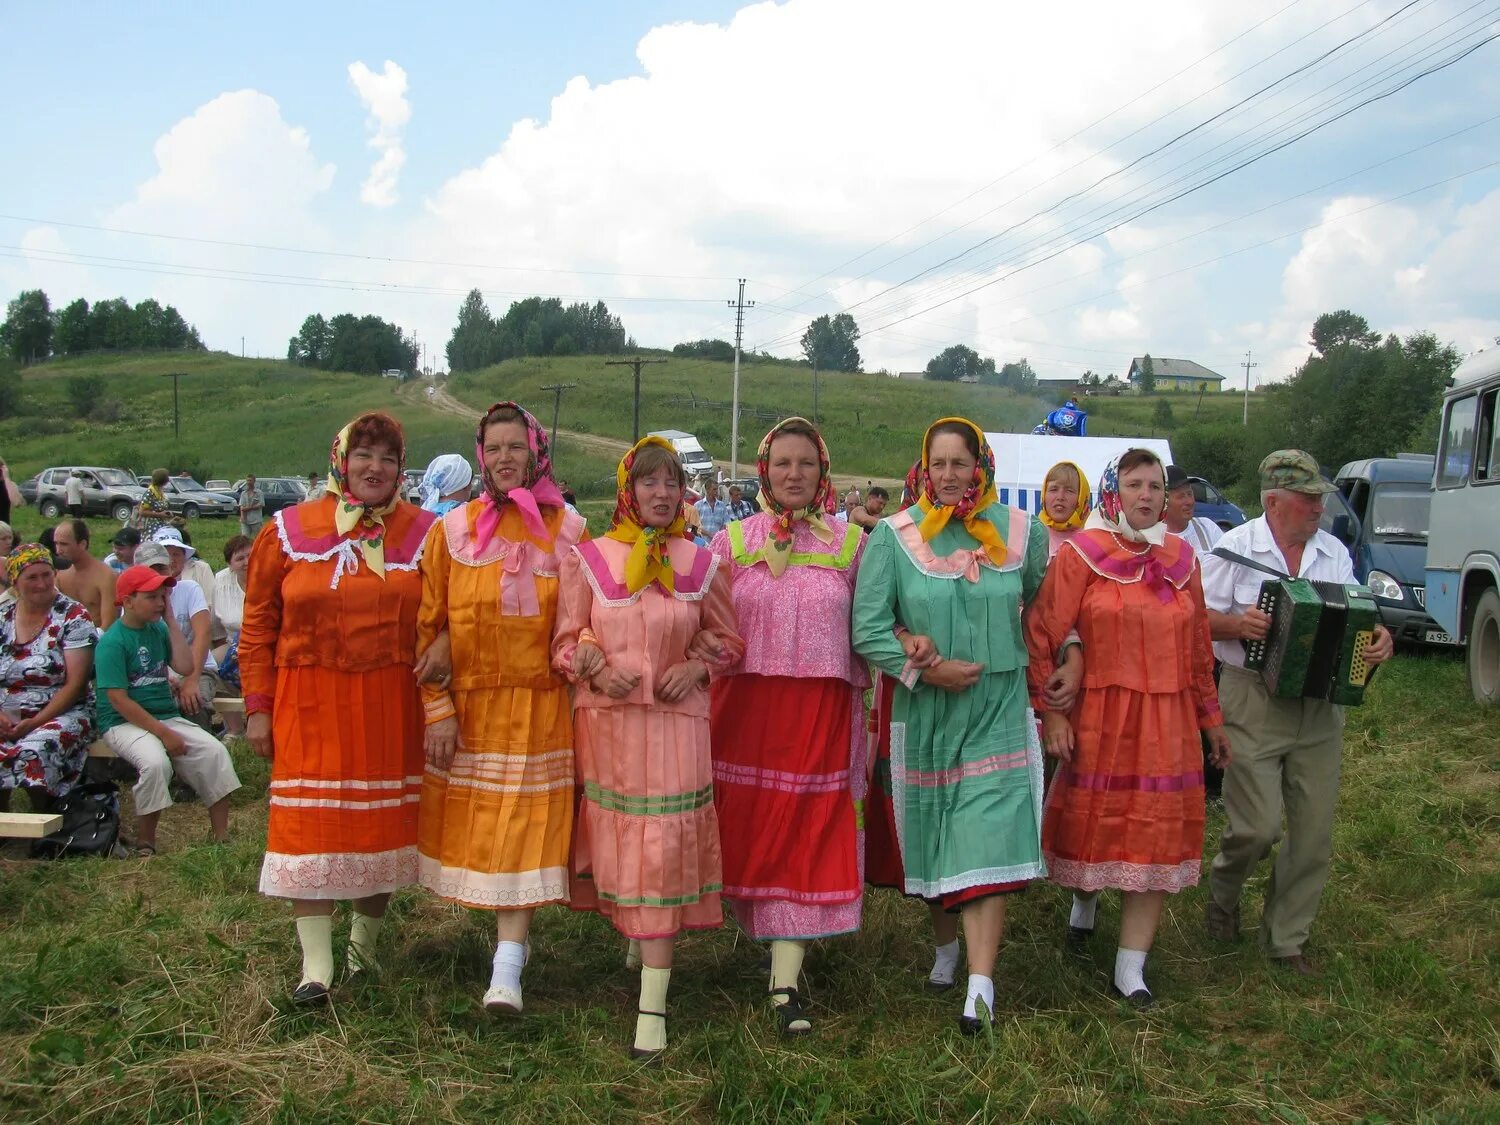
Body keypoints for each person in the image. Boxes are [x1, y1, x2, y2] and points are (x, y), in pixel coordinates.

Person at [852, 418, 1060, 1033]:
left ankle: (980, 984)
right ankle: (946, 948)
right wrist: (921, 664)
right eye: (937, 463)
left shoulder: (1024, 534)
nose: (948, 475)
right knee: (940, 834)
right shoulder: (894, 538)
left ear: (980, 465)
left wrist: (1061, 663)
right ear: (924, 466)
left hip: (997, 709)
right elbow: (867, 628)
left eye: (960, 463)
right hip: (929, 714)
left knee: (986, 833)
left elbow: (1040, 611)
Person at [552, 436, 742, 1060]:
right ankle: (638, 944)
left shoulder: (702, 561)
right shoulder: (591, 559)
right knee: (628, 848)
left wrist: (697, 669)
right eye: (649, 483)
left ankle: (651, 1013)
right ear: (627, 491)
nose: (662, 495)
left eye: (672, 483)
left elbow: (729, 642)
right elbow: (564, 643)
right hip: (610, 730)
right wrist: (590, 664)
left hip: (676, 728)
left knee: (662, 850)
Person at [240, 411, 437, 1004]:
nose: (374, 468)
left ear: (402, 469)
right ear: (340, 460)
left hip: (389, 703)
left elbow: (444, 617)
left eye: (387, 458)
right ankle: (315, 967)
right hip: (308, 703)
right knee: (310, 831)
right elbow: (257, 625)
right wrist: (256, 705)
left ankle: (363, 951)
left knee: (377, 832)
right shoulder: (286, 531)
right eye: (363, 455)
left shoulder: (427, 533)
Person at [1025, 449, 1231, 1008]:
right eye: (1135, 484)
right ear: (1115, 492)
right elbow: (1044, 629)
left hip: (1168, 721)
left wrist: (1211, 722)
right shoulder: (1083, 554)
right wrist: (1054, 710)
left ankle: (1130, 967)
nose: (1147, 495)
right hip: (1103, 716)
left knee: (1156, 839)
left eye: (1156, 485)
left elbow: (1197, 651)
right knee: (1095, 832)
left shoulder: (1184, 559)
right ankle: (1084, 903)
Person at [418, 402, 587, 1014]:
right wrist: (437, 708)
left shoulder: (569, 531)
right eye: (494, 448)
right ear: (480, 456)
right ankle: (502, 950)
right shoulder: (453, 531)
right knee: (488, 836)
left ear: (538, 452)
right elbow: (428, 625)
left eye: (517, 446)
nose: (505, 458)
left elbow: (584, 622)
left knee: (524, 837)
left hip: (542, 709)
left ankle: (507, 967)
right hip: (475, 710)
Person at [1201, 450, 1394, 975]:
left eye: (1320, 499)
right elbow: (1192, 620)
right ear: (1273, 501)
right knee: (1257, 828)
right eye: (1308, 499)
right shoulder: (1233, 549)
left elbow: (1358, 618)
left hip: (1321, 703)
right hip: (1250, 697)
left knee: (1312, 834)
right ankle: (1223, 893)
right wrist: (1236, 625)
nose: (1318, 509)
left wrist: (1379, 639)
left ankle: (1286, 939)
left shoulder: (1333, 552)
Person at [706, 417, 868, 1036]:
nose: (794, 475)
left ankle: (785, 983)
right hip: (744, 714)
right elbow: (703, 624)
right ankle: (658, 938)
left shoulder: (852, 546)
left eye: (805, 463)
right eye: (782, 464)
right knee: (743, 826)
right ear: (764, 471)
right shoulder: (731, 543)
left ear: (823, 471)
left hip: (820, 716)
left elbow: (876, 622)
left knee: (805, 829)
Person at [97, 564, 241, 856]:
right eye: (151, 597)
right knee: (155, 763)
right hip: (123, 722)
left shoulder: (159, 628)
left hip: (163, 716)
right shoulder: (112, 642)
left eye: (163, 597)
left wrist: (171, 622)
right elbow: (119, 700)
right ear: (127, 601)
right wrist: (165, 734)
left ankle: (221, 836)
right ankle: (146, 842)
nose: (161, 603)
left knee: (215, 752)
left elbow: (186, 667)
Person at [0, 545, 96, 814]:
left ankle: (47, 821)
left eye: (47, 575)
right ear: (15, 581)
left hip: (62, 709)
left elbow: (76, 685)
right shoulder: (3, 617)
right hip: (7, 711)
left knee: (35, 748)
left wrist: (35, 722)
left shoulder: (73, 616)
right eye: (32, 577)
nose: (42, 584)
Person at [141, 534, 219, 731]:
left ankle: (201, 754)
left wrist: (191, 680)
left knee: (193, 702)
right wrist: (163, 676)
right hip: (155, 671)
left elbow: (203, 634)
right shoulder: (134, 601)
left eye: (162, 567)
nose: (157, 574)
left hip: (198, 667)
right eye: (151, 569)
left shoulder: (190, 589)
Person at [54, 519, 119, 631]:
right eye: (56, 543)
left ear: (82, 544)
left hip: (96, 642)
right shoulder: (60, 576)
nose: (58, 550)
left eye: (64, 544)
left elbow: (109, 626)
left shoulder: (106, 577)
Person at [1163, 465, 1223, 552]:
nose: (1190, 502)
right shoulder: (1153, 543)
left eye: (1190, 494)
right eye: (1181, 496)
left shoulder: (1208, 527)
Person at [1038, 460, 1091, 559]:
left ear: (1082, 497)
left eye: (1069, 491)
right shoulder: (1032, 535)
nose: (1060, 497)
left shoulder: (1094, 538)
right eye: (1053, 489)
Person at [137, 469, 173, 536]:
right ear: (162, 479)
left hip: (162, 524)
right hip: (151, 527)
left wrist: (167, 513)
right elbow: (141, 512)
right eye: (167, 477)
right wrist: (160, 514)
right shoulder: (150, 493)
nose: (168, 479)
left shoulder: (160, 491)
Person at [239, 474, 265, 539]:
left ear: (254, 481)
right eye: (247, 480)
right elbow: (241, 506)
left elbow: (261, 504)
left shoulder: (259, 493)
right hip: (245, 520)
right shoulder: (243, 493)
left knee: (258, 538)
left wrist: (248, 508)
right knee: (244, 538)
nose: (248, 482)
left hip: (256, 520)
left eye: (250, 480)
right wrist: (242, 516)